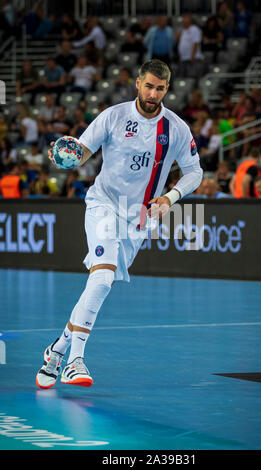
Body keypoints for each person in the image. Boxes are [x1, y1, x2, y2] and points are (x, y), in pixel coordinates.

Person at [35, 59, 203, 389]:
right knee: (102, 277)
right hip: (104, 205)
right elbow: (82, 151)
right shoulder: (114, 116)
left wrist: (171, 197)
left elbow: (195, 172)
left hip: (139, 218)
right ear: (137, 83)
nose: (153, 93)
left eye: (160, 88)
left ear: (166, 89)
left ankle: (57, 350)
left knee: (101, 284)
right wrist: (68, 157)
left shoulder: (177, 129)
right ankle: (75, 361)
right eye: (148, 85)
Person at [177, 14, 203, 78]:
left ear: (189, 22)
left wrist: (193, 56)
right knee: (184, 77)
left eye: (184, 21)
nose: (182, 23)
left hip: (192, 58)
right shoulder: (184, 30)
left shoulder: (194, 29)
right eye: (182, 21)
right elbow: (182, 43)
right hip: (184, 58)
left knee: (192, 77)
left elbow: (196, 43)